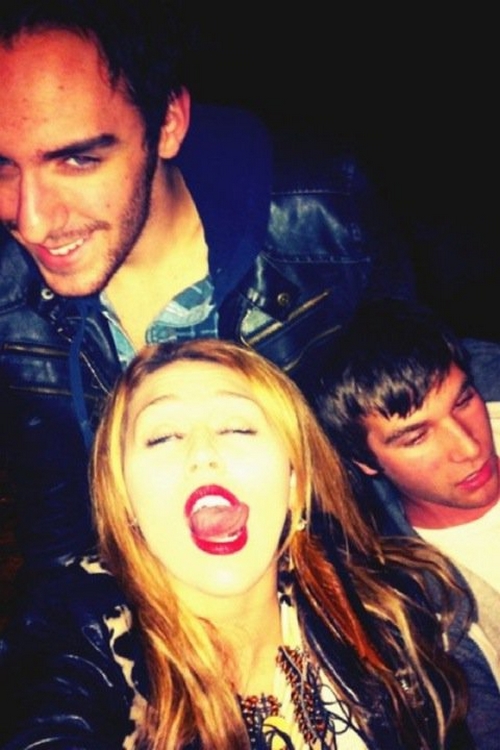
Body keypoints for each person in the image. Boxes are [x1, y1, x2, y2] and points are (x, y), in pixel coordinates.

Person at [0, 0, 415, 575]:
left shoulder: (326, 222)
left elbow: (410, 402)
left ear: (168, 123)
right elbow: (58, 525)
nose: (31, 221)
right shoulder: (8, 298)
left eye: (78, 160)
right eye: (3, 166)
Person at [0, 338, 474, 749]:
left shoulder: (388, 613)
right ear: (125, 500)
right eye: (162, 437)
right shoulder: (78, 636)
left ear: (295, 481)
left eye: (237, 428)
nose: (203, 452)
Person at [318, 297, 500, 750]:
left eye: (463, 401)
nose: (469, 447)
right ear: (365, 462)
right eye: (416, 436)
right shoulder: (417, 610)